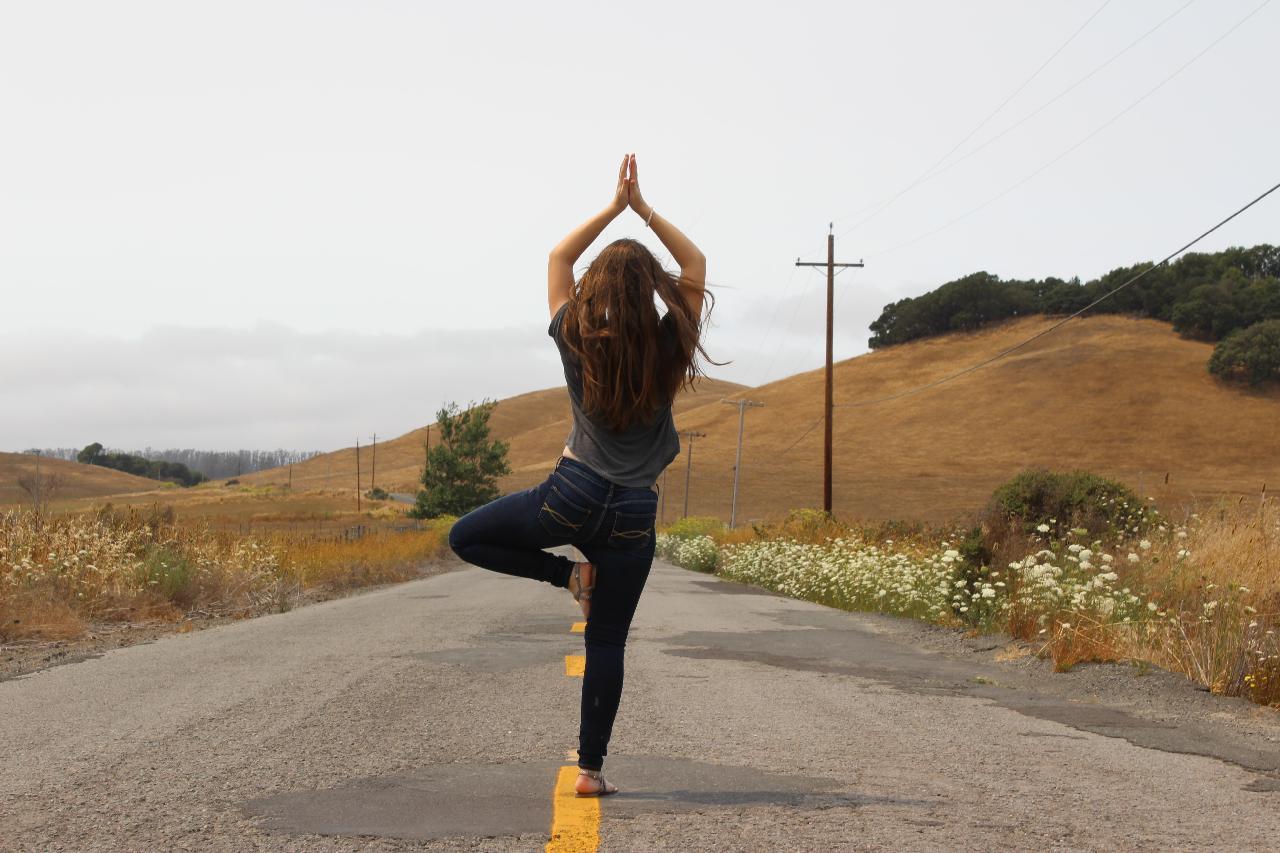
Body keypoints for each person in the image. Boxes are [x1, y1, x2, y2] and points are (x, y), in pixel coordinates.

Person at [448, 152, 722, 797]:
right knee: (608, 643)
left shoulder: (574, 332)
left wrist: (613, 207)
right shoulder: (671, 342)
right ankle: (591, 772)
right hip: (633, 513)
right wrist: (645, 210)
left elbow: (557, 261)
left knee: (465, 536)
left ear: (596, 288)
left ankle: (569, 575)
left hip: (571, 495)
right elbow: (697, 267)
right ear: (651, 288)